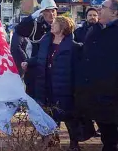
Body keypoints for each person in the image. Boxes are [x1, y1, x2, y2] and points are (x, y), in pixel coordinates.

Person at [22, 16, 93, 150]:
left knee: (69, 117)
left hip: (64, 85)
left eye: (55, 24)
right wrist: (29, 62)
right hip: (46, 83)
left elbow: (79, 68)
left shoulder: (73, 46)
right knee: (50, 114)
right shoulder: (46, 41)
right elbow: (40, 58)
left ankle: (74, 143)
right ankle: (53, 142)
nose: (52, 25)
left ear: (63, 27)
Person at [75, 0, 118, 151]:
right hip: (96, 93)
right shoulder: (96, 29)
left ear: (114, 12)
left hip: (113, 93)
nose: (99, 10)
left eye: (103, 7)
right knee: (107, 135)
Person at [11, 0, 57, 98]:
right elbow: (19, 29)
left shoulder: (59, 26)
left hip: (52, 68)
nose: (51, 14)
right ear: (42, 12)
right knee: (32, 97)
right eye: (48, 11)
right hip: (35, 66)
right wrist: (31, 17)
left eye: (53, 11)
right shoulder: (36, 25)